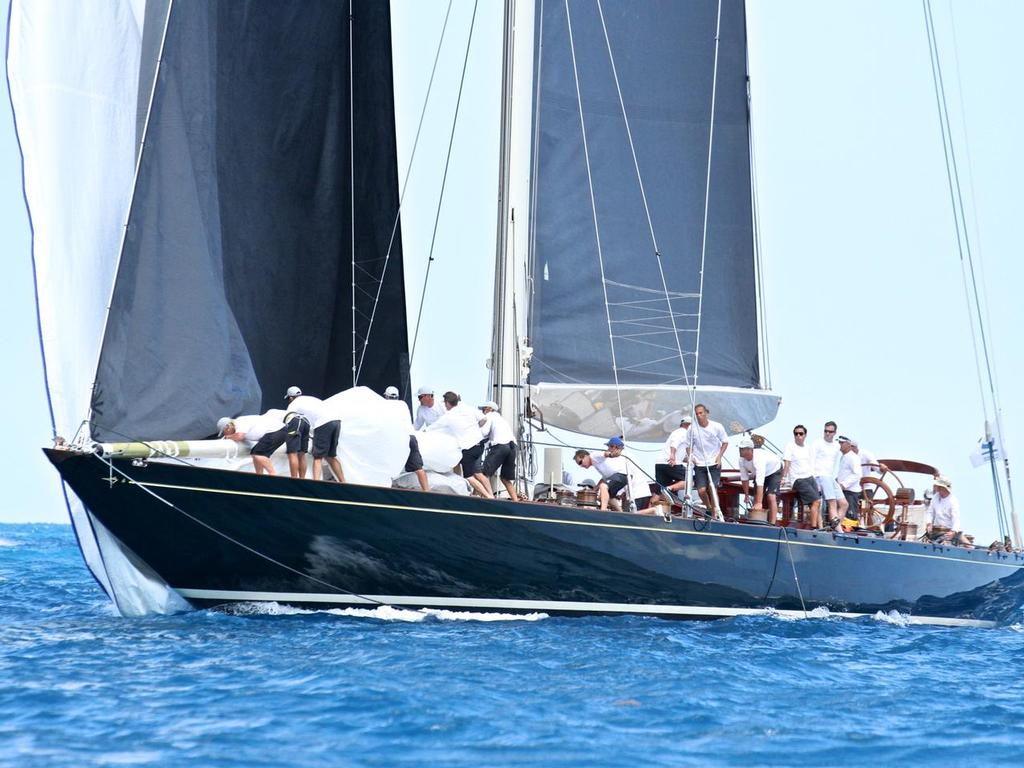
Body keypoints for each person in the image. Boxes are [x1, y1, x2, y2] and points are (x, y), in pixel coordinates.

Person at [427, 391, 491, 498]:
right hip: (479, 446)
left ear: (447, 403)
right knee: (475, 471)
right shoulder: (468, 408)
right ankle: (471, 492)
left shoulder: (449, 416)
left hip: (469, 448)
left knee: (468, 475)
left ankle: (488, 496)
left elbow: (433, 427)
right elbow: (484, 419)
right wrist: (475, 428)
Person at [284, 387, 345, 483]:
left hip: (323, 423)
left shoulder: (294, 404)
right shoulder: (310, 399)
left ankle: (315, 483)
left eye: (288, 399)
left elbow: (288, 419)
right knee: (330, 456)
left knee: (318, 456)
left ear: (291, 398)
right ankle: (343, 482)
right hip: (336, 421)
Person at [383, 385, 429, 492]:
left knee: (387, 463)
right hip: (411, 437)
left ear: (386, 396)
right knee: (419, 468)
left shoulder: (384, 406)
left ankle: (386, 489)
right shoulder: (403, 405)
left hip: (396, 438)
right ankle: (427, 491)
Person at [218, 410, 292, 475]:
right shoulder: (238, 424)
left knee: (259, 454)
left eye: (224, 432)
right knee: (254, 453)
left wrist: (228, 437)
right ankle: (259, 475)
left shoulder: (240, 422)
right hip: (277, 431)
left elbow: (240, 437)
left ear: (228, 427)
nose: (225, 434)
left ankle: (272, 475)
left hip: (276, 431)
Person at [688, 404, 728, 518]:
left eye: (701, 413)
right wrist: (691, 456)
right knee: (701, 490)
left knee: (712, 488)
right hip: (700, 463)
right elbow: (688, 445)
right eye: (696, 414)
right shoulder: (692, 428)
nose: (699, 415)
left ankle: (715, 513)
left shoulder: (717, 426)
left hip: (714, 462)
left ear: (706, 413)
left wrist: (719, 456)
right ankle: (709, 507)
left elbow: (725, 442)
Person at [476, 401, 518, 501]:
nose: (483, 412)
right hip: (513, 446)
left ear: (489, 409)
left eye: (484, 409)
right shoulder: (502, 420)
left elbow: (484, 432)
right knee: (505, 478)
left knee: (483, 473)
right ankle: (516, 501)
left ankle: (479, 497)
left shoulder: (490, 416)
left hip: (500, 446)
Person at [573, 438, 630, 511]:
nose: (581, 466)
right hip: (618, 477)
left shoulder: (594, 456)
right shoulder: (596, 463)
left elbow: (604, 454)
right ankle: (621, 513)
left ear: (585, 456)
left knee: (603, 487)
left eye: (580, 462)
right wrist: (595, 489)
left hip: (621, 474)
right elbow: (604, 478)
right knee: (604, 496)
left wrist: (611, 454)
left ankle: (603, 511)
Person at [782, 424, 821, 527]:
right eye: (796, 434)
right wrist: (783, 478)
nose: (798, 436)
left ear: (805, 435)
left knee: (818, 502)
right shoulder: (790, 446)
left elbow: (812, 463)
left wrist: (814, 477)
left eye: (801, 434)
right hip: (798, 479)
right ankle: (814, 528)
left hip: (810, 477)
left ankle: (821, 527)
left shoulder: (808, 447)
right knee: (816, 501)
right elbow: (787, 463)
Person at [737, 437, 783, 525]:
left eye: (742, 449)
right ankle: (756, 522)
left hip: (774, 470)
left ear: (749, 450)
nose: (740, 450)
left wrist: (759, 503)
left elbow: (760, 482)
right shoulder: (741, 460)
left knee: (771, 496)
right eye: (740, 448)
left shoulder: (758, 459)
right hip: (761, 473)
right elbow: (744, 478)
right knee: (755, 497)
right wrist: (746, 495)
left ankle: (772, 524)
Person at [655, 415, 692, 503]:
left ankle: (647, 513)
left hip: (660, 464)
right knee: (690, 481)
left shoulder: (676, 432)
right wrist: (672, 456)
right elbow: (674, 443)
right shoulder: (683, 432)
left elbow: (682, 456)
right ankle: (669, 489)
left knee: (658, 492)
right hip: (670, 463)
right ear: (689, 425)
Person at [811, 420, 842, 526]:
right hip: (820, 475)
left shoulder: (837, 446)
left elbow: (834, 463)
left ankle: (835, 526)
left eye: (830, 431)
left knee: (844, 503)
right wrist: (813, 478)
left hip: (830, 477)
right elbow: (811, 460)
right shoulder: (817, 443)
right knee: (831, 502)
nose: (827, 433)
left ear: (835, 433)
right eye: (825, 431)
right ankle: (836, 528)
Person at [925, 475, 962, 544]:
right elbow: (930, 512)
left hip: (947, 533)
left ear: (943, 487)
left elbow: (956, 518)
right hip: (936, 531)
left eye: (938, 486)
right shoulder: (935, 497)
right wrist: (929, 523)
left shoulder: (953, 501)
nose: (937, 488)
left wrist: (953, 532)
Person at [835, 435, 862, 527]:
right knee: (843, 515)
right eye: (839, 442)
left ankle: (850, 535)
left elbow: (857, 474)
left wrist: (843, 484)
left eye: (842, 443)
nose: (839, 444)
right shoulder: (844, 457)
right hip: (843, 490)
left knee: (850, 516)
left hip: (850, 492)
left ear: (848, 444)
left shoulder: (853, 457)